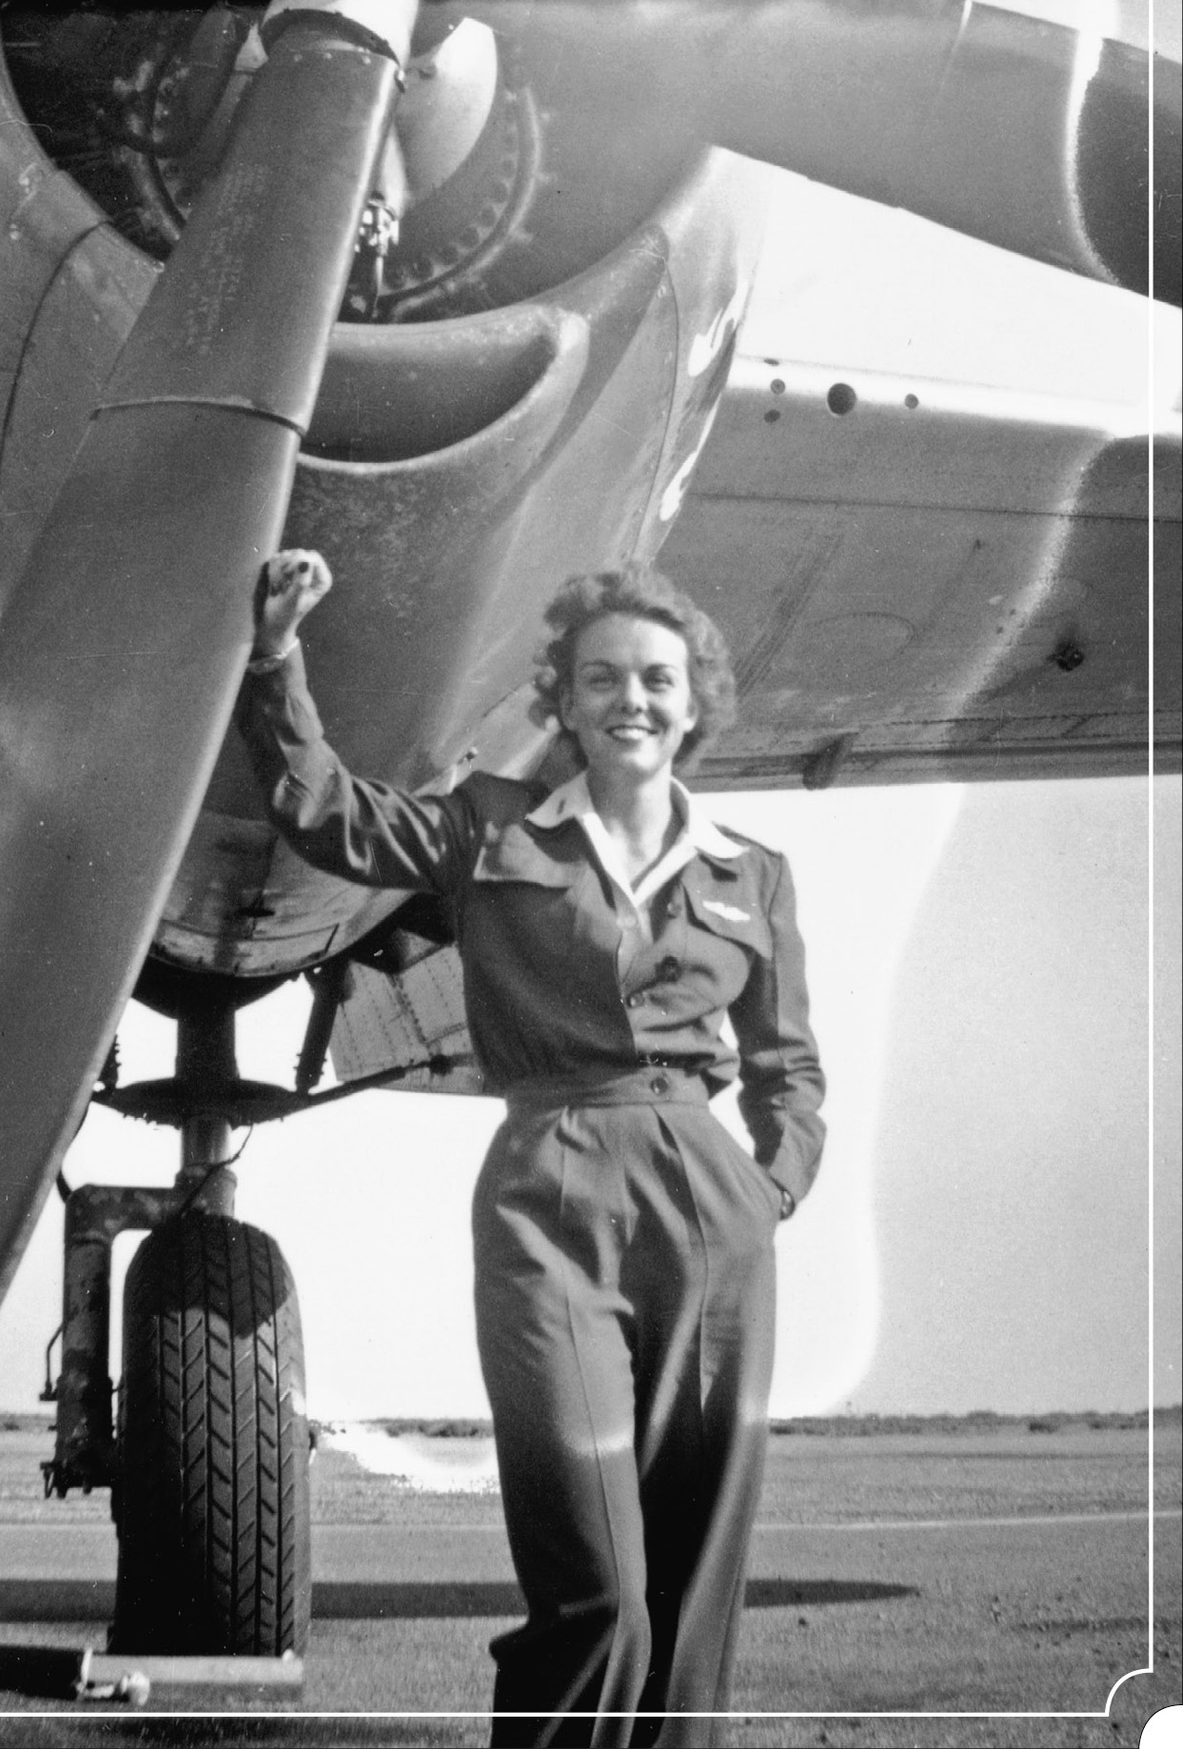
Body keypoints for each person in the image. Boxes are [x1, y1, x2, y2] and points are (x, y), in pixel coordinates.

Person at [237, 550, 826, 1749]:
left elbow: (788, 1066)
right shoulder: (488, 827)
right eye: (600, 676)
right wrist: (273, 657)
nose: (632, 700)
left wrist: (768, 1192)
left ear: (694, 698)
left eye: (657, 678)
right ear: (561, 697)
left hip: (709, 1206)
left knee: (692, 1588)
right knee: (594, 1582)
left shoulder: (749, 873)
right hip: (547, 1186)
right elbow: (326, 813)